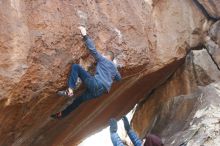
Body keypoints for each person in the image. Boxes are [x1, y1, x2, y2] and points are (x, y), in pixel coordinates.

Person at [51, 26, 121, 119]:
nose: (103, 55)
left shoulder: (103, 60)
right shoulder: (114, 69)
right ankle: (62, 114)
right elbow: (118, 78)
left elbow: (93, 50)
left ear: (107, 56)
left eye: (105, 55)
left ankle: (70, 90)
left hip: (96, 84)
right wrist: (112, 71)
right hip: (99, 92)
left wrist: (85, 35)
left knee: (76, 67)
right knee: (78, 100)